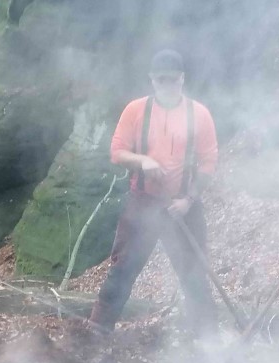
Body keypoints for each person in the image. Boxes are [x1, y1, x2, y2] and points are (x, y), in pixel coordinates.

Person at [89, 49, 219, 337]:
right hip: (143, 202)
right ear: (152, 80)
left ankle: (208, 339)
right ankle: (96, 332)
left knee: (194, 273)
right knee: (123, 268)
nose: (167, 85)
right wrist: (143, 161)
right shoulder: (136, 111)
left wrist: (189, 199)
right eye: (161, 80)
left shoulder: (199, 114)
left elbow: (209, 162)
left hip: (183, 205)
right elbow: (117, 152)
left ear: (182, 79)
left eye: (172, 80)